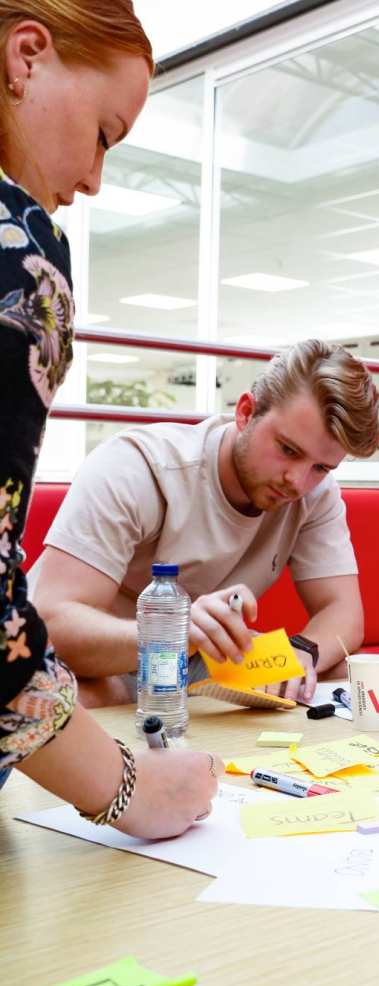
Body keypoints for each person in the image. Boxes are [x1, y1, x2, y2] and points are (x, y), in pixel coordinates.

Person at [0, 0, 218, 837]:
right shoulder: (20, 253)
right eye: (103, 133)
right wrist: (125, 789)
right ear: (27, 57)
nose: (94, 178)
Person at [30, 337, 379, 705]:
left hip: (197, 660)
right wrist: (172, 634)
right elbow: (53, 623)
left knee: (343, 672)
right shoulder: (137, 467)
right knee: (61, 696)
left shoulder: (314, 493)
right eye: (287, 450)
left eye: (321, 467)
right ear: (246, 412)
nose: (297, 481)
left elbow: (343, 613)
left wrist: (303, 651)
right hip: (101, 663)